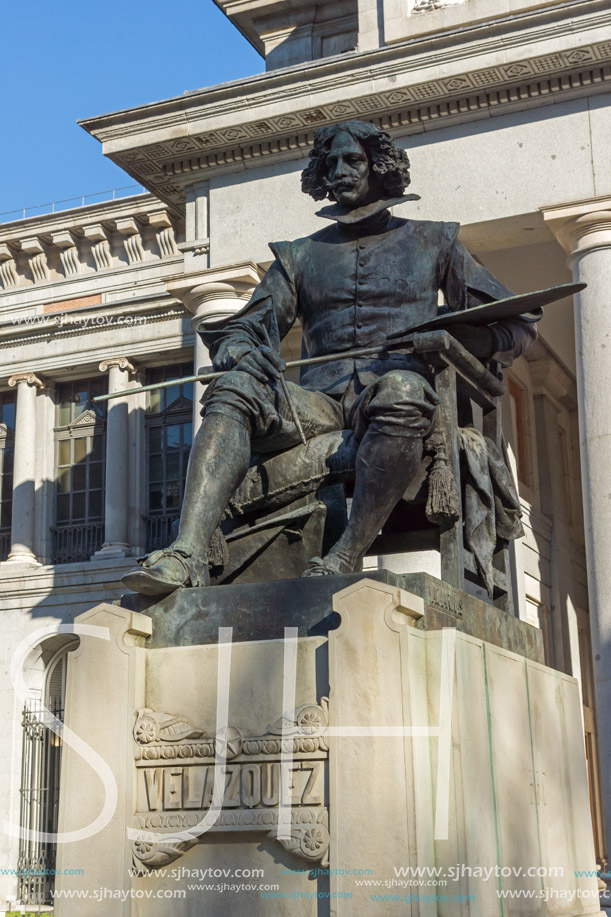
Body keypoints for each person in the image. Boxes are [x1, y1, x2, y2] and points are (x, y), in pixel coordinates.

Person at [122, 120, 537, 595]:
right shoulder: (300, 256)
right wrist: (239, 350)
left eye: (352, 160)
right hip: (315, 405)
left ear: (379, 167)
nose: (340, 171)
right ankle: (186, 553)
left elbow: (518, 325)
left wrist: (458, 343)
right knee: (233, 387)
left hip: (395, 393)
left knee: (401, 391)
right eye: (331, 163)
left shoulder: (435, 241)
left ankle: (344, 554)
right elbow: (248, 327)